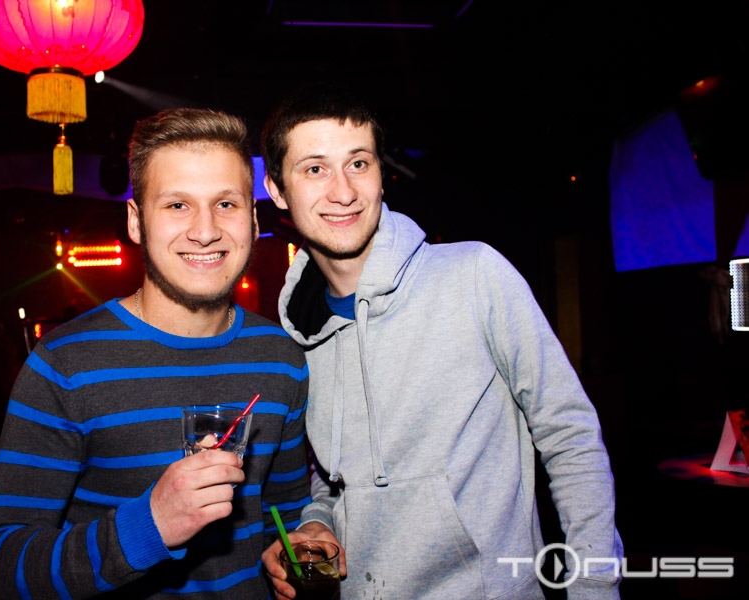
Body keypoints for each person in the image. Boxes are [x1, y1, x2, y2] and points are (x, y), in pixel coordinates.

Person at [259, 82, 624, 599]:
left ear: (381, 173)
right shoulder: (299, 339)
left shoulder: (473, 275)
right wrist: (318, 523)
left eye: (358, 163)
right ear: (277, 190)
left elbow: (570, 436)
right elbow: (336, 479)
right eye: (315, 169)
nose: (343, 191)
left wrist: (594, 586)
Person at [0, 108, 312, 599]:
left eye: (226, 203)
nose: (205, 230)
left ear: (254, 219)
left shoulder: (282, 357)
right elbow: (0, 569)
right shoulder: (65, 365)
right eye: (177, 204)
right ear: (136, 221)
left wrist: (296, 546)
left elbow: (286, 513)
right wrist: (148, 527)